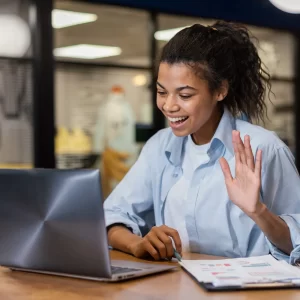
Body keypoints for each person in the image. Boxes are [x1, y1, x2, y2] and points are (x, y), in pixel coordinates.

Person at [104, 21, 300, 264]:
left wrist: (258, 212)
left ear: (220, 91)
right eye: (162, 92)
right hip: (176, 286)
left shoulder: (263, 148)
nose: (169, 105)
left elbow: (297, 244)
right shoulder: (159, 146)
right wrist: (138, 244)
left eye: (185, 95)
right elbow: (112, 214)